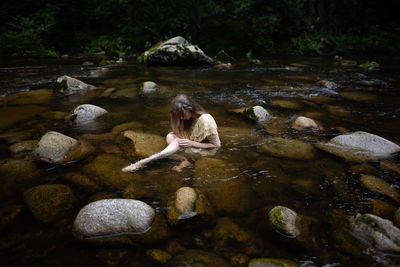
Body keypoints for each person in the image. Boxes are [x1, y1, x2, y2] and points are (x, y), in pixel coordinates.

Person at [122, 94, 221, 172]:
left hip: (206, 150)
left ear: (190, 108)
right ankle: (185, 161)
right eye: (178, 116)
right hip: (191, 142)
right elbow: (180, 132)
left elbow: (216, 145)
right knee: (170, 136)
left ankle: (144, 162)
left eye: (182, 115)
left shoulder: (206, 119)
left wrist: (193, 144)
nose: (180, 118)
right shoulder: (188, 117)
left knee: (176, 143)